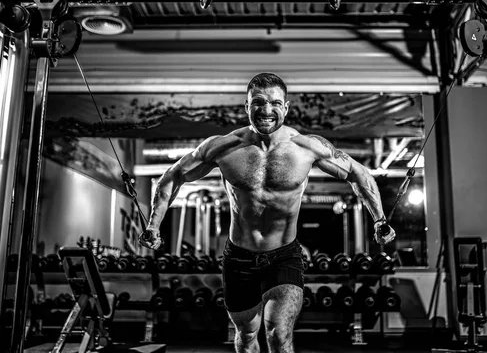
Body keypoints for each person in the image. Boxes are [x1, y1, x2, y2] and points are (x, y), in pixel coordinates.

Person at [139, 73, 396, 353]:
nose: (266, 110)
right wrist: (154, 225)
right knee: (247, 335)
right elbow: (173, 176)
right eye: (258, 102)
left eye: (275, 103)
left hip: (283, 254)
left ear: (285, 107)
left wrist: (380, 218)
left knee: (278, 333)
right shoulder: (223, 147)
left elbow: (359, 174)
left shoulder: (306, 147)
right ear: (246, 105)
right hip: (238, 257)